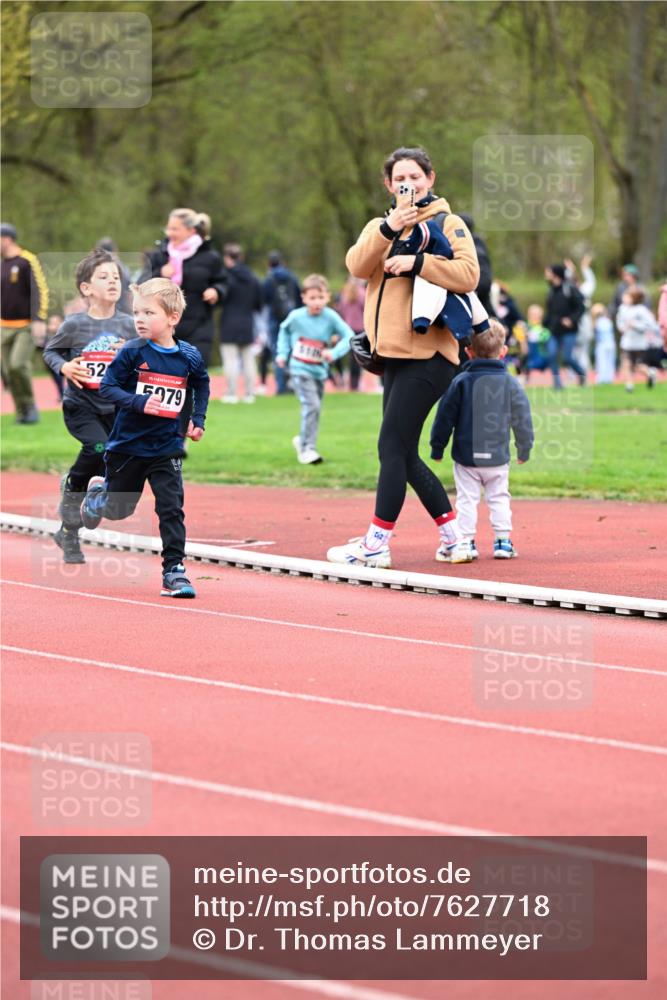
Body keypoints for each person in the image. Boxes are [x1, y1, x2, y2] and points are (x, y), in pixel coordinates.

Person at [326, 146, 480, 568]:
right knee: (403, 452)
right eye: (399, 179)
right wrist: (388, 229)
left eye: (414, 176)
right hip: (392, 356)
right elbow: (357, 266)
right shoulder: (381, 225)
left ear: (430, 179)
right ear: (388, 185)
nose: (406, 184)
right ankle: (454, 539)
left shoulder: (448, 222)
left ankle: (375, 545)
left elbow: (469, 275)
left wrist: (417, 261)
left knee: (390, 445)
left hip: (429, 352)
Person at [80, 278, 210, 597]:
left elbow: (201, 384)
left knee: (171, 507)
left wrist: (197, 420)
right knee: (119, 510)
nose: (139, 319)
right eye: (136, 312)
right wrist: (139, 401)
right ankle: (98, 495)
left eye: (148, 313)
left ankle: (174, 571)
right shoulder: (131, 352)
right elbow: (108, 387)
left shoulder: (188, 356)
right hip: (127, 446)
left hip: (166, 448)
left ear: (172, 318)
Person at [43, 248, 137, 563]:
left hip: (114, 410)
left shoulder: (129, 325)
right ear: (86, 288)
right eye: (104, 277)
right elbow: (51, 353)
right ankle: (72, 483)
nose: (113, 282)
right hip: (80, 405)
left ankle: (68, 533)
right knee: (98, 448)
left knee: (105, 462)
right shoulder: (74, 325)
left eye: (116, 277)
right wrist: (65, 367)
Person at [429, 319, 534, 560]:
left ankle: (465, 542)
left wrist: (438, 447)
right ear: (504, 351)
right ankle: (503, 542)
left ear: (468, 351)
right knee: (499, 497)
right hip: (497, 456)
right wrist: (524, 448)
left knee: (467, 499)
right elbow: (522, 419)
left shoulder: (461, 382)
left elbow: (445, 416)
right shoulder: (511, 384)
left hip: (466, 456)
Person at [142, 208, 225, 434]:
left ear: (190, 230)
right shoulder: (160, 255)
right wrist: (161, 272)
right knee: (164, 380)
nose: (170, 233)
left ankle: (179, 435)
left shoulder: (210, 257)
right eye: (168, 228)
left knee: (187, 379)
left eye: (175, 228)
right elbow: (142, 286)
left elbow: (223, 282)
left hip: (199, 326)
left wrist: (216, 290)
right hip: (166, 328)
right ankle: (163, 431)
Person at [276, 274, 353, 465]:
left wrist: (334, 353)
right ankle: (307, 449)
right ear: (304, 298)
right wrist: (282, 353)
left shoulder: (331, 317)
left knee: (314, 409)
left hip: (319, 371)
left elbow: (349, 336)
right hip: (299, 368)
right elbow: (283, 331)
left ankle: (303, 441)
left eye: (321, 298)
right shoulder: (296, 317)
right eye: (312, 298)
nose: (317, 302)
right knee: (312, 406)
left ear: (328, 297)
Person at [0, 222, 49, 423]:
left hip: (25, 326)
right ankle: (22, 411)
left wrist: (39, 319)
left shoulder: (27, 260)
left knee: (18, 364)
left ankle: (30, 407)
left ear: (7, 239)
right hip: (4, 326)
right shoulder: (2, 265)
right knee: (7, 371)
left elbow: (40, 290)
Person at [219, 243, 263, 404]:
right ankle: (249, 393)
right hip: (247, 321)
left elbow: (220, 300)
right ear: (241, 257)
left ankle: (231, 393)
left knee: (230, 360)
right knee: (248, 360)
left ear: (227, 258)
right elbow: (259, 302)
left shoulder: (225, 277)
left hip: (229, 321)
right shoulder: (252, 277)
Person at [263, 250, 301, 395]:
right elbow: (299, 297)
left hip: (275, 320)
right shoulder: (292, 277)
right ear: (282, 262)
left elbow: (264, 300)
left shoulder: (268, 279)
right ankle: (294, 385)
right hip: (292, 319)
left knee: (278, 352)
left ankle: (281, 387)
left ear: (269, 264)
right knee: (293, 351)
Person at [543, 263, 587, 387]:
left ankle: (581, 373)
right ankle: (557, 384)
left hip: (569, 331)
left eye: (548, 272)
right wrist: (543, 326)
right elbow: (550, 312)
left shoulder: (570, 289)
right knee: (551, 355)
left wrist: (571, 320)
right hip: (553, 330)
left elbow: (581, 307)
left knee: (567, 358)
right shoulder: (551, 291)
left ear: (555, 274)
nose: (546, 275)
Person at [616, 288, 660, 391]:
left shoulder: (641, 310)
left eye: (627, 296)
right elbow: (620, 322)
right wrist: (622, 327)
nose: (624, 298)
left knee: (638, 366)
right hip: (626, 343)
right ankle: (629, 386)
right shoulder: (623, 308)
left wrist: (635, 325)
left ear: (634, 298)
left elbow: (652, 325)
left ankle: (650, 373)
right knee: (626, 363)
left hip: (639, 344)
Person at [566, 254, 596, 375]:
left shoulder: (583, 291)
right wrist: (571, 270)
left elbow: (590, 282)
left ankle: (583, 373)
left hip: (583, 320)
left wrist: (585, 268)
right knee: (573, 349)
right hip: (573, 321)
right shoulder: (568, 291)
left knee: (582, 349)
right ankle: (575, 374)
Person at [336, 277, 367, 390]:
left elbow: (341, 312)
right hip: (360, 329)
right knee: (357, 358)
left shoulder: (344, 295)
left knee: (348, 356)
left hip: (347, 329)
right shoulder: (363, 294)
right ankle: (355, 384)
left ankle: (344, 380)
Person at [524, 304, 557, 385]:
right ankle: (523, 381)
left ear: (540, 316)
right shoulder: (524, 327)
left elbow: (547, 339)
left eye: (536, 315)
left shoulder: (544, 330)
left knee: (552, 359)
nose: (534, 317)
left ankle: (557, 383)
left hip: (541, 357)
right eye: (532, 314)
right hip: (528, 357)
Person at [590, 304, 617, 385]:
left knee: (602, 362)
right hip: (611, 344)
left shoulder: (598, 322)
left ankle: (602, 378)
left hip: (602, 344)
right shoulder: (608, 321)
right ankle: (609, 378)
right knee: (609, 362)